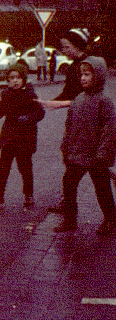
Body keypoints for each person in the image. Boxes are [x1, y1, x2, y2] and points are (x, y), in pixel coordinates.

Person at [52, 56, 116, 235]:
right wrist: (66, 147)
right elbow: (69, 126)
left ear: (99, 76)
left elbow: (110, 129)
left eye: (88, 74)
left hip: (96, 157)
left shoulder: (104, 102)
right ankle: (70, 219)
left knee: (102, 188)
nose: (83, 78)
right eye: (82, 75)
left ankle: (111, 219)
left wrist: (103, 154)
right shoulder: (78, 99)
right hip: (77, 154)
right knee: (69, 184)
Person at [0, 63, 45, 208]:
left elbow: (40, 112)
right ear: (8, 80)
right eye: (11, 78)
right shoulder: (6, 94)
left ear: (23, 79)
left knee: (25, 168)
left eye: (18, 78)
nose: (15, 81)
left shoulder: (30, 94)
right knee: (3, 166)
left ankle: (28, 195)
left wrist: (28, 118)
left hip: (25, 136)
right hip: (9, 136)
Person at [39, 28, 90, 110]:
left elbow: (89, 98)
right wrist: (49, 103)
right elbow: (68, 93)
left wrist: (58, 103)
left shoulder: (88, 65)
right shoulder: (73, 66)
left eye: (67, 47)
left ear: (78, 46)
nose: (64, 51)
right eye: (63, 47)